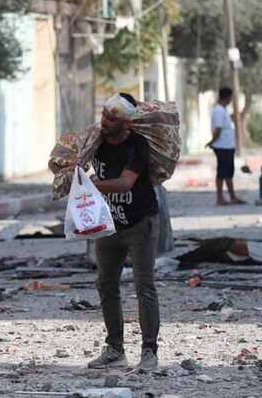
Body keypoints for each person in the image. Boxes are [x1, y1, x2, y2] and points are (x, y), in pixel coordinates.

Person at [82, 92, 160, 371]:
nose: (104, 121)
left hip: (141, 222)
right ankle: (115, 349)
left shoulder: (136, 145)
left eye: (111, 118)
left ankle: (149, 351)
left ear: (126, 123)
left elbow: (125, 183)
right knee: (106, 284)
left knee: (144, 287)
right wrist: (64, 169)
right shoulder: (95, 140)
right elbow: (61, 162)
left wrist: (90, 185)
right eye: (103, 114)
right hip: (110, 224)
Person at [206, 87, 244, 205]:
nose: (231, 101)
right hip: (222, 146)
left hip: (227, 145)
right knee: (222, 172)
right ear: (227, 97)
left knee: (229, 172)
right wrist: (212, 142)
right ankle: (220, 198)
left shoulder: (223, 110)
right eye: (231, 98)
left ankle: (232, 196)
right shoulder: (218, 110)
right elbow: (218, 129)